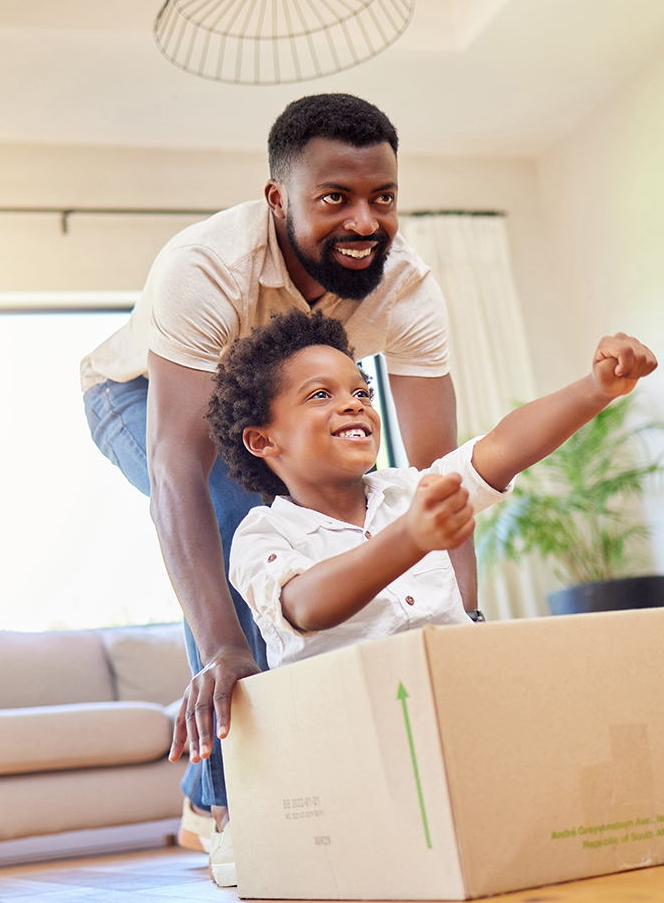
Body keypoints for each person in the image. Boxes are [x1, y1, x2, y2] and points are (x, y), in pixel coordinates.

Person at [80, 94, 473, 883]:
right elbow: (176, 468)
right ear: (278, 200)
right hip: (138, 399)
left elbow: (437, 481)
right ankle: (231, 803)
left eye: (383, 198)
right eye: (335, 198)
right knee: (248, 527)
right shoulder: (204, 268)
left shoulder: (407, 290)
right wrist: (225, 646)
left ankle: (272, 786)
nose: (365, 221)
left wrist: (462, 618)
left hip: (283, 408)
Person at [208, 310, 657, 668]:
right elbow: (305, 604)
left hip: (462, 694)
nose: (353, 404)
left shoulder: (409, 488)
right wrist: (408, 539)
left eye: (362, 393)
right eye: (319, 395)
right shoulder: (262, 534)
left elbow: (501, 448)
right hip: (354, 735)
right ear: (263, 440)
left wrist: (594, 390)